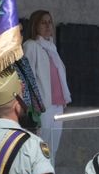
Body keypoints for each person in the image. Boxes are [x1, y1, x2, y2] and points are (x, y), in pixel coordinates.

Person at [23, 9, 74, 158]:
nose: (47, 26)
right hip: (42, 106)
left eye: (50, 22)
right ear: (35, 26)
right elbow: (27, 77)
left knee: (53, 149)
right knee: (41, 148)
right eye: (43, 23)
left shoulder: (52, 48)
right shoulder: (31, 46)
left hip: (57, 106)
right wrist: (32, 106)